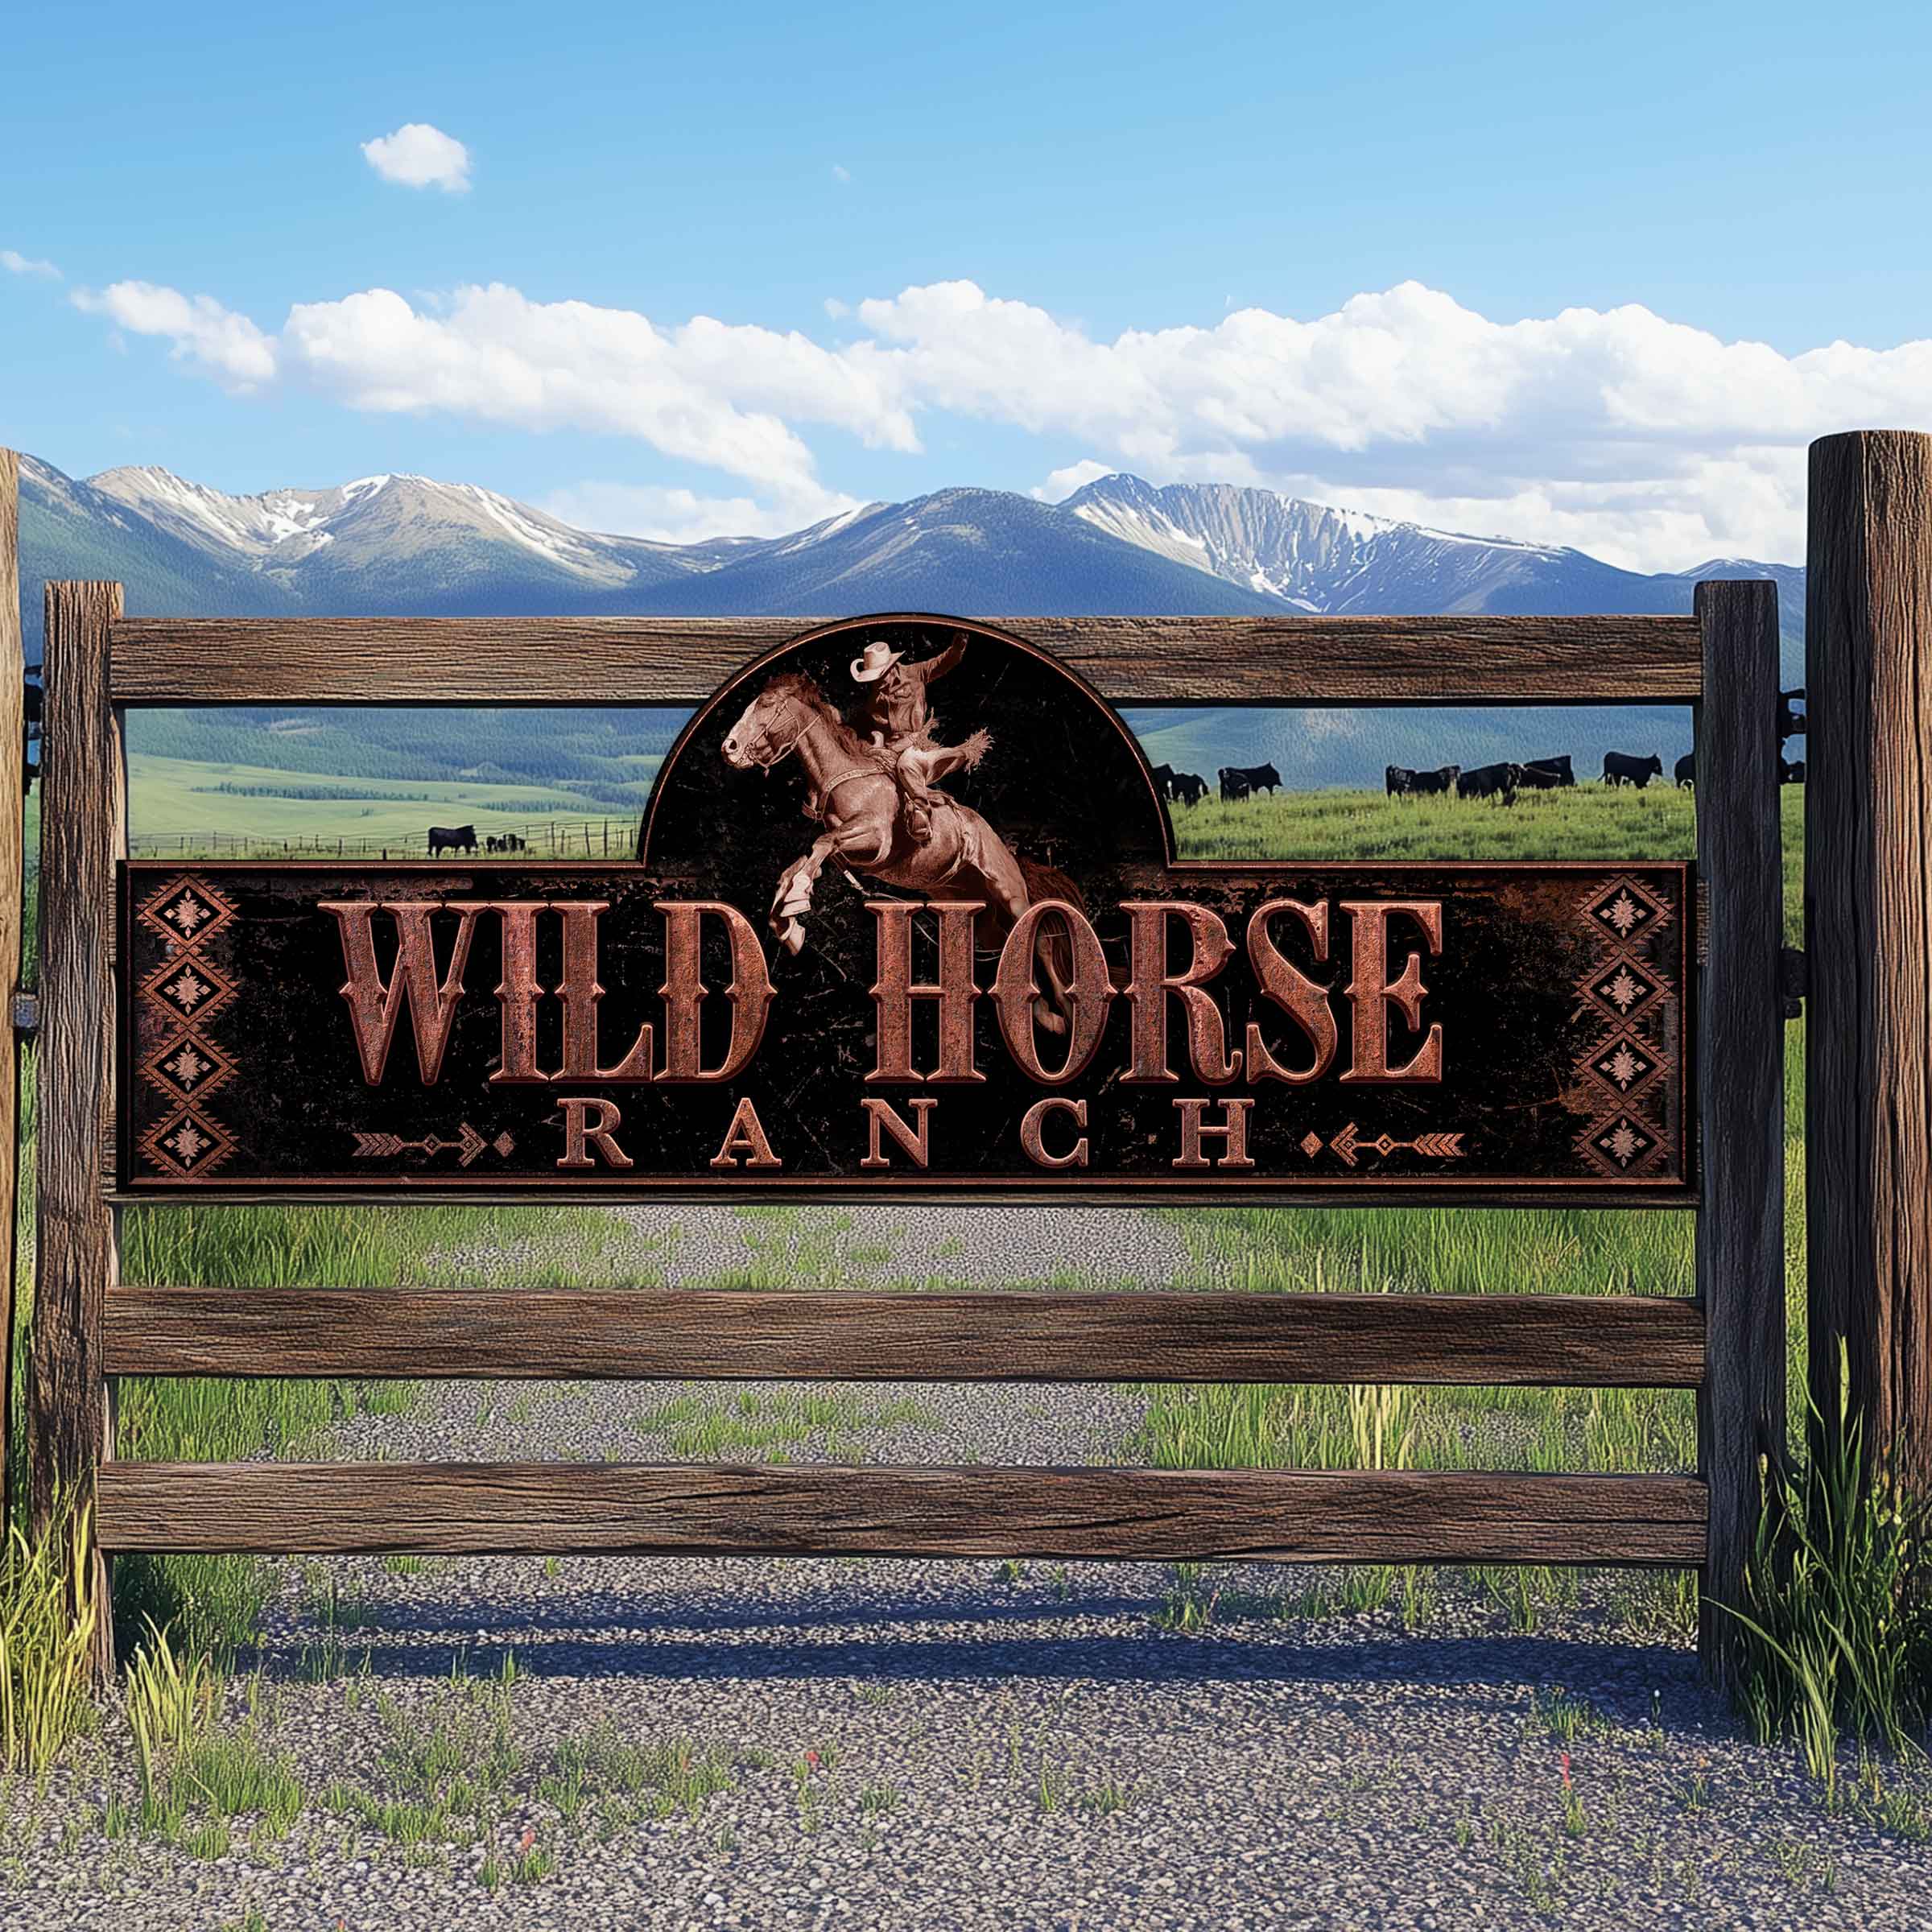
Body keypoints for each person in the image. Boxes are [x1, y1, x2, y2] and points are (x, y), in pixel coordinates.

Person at [848, 633, 985, 843]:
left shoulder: (915, 673)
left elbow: (943, 663)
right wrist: (878, 742)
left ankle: (921, 811)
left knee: (906, 764)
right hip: (888, 748)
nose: (878, 682)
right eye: (873, 678)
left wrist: (957, 649)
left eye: (880, 676)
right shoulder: (874, 696)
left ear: (891, 668)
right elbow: (877, 728)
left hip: (916, 743)